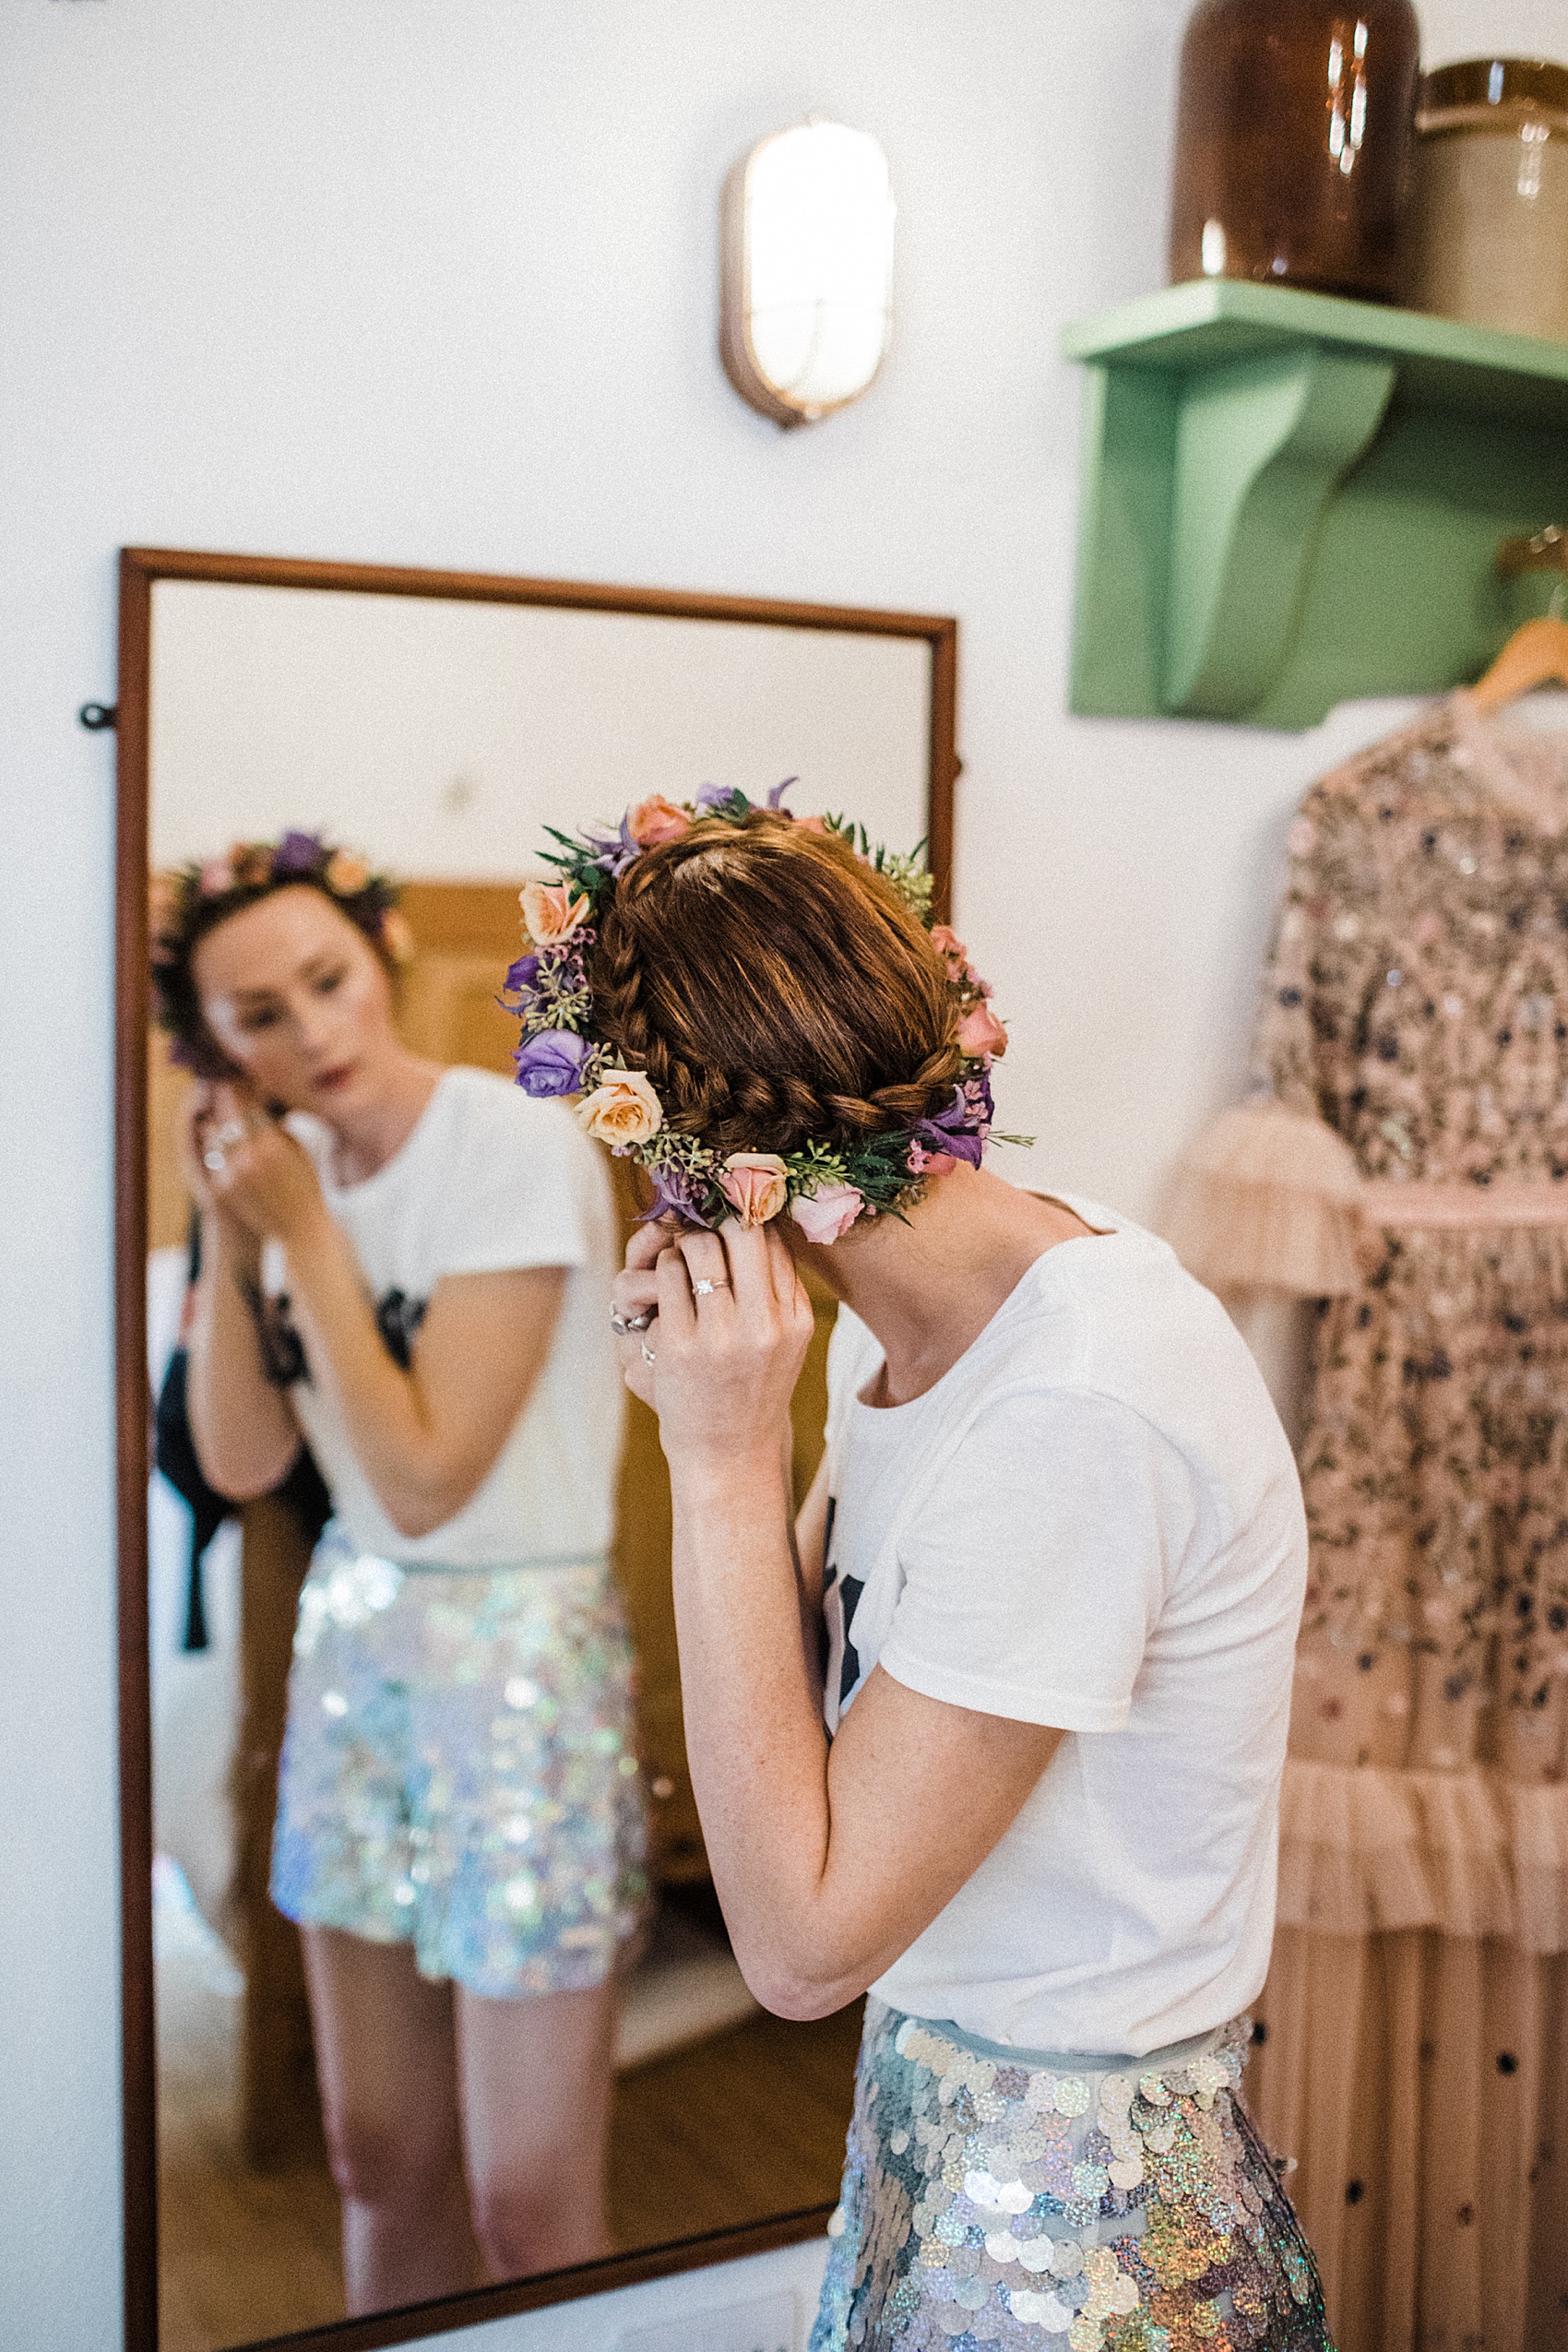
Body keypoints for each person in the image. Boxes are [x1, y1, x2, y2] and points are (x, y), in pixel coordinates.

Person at [509, 786, 1332, 2349]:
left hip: (1075, 2247)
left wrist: (719, 1459)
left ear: (679, 1159)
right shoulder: (930, 1327)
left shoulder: (1073, 1403)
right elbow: (806, 1737)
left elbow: (801, 1944)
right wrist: (735, 1422)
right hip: (939, 2157)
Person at [151, 831, 645, 2311]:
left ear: (382, 960)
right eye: (261, 1015)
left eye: (327, 978)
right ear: (217, 1048)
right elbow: (238, 1463)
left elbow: (430, 1477)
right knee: (372, 2147)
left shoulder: (512, 1146)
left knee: (528, 2194)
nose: (314, 1030)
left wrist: (306, 1234)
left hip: (523, 1654)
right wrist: (237, 1246)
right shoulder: (273, 1180)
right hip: (355, 1640)